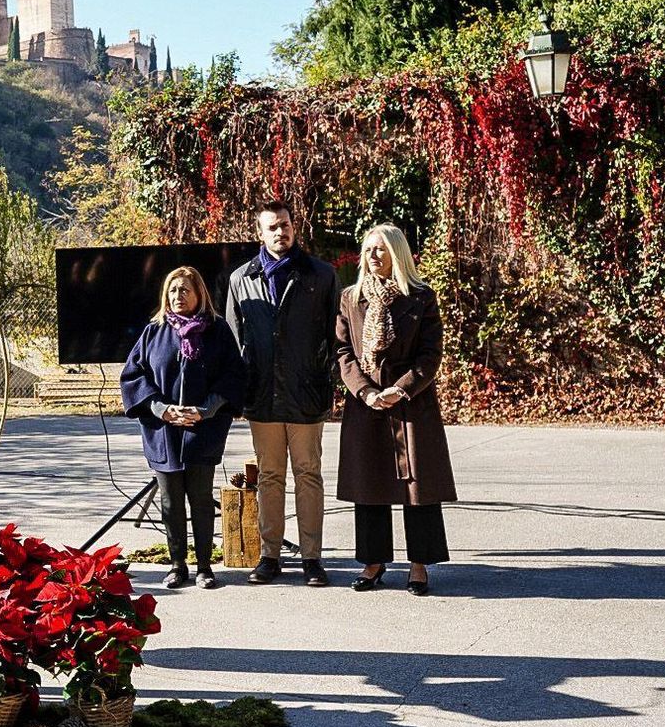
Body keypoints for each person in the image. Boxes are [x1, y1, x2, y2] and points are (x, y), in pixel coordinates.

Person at [335, 224, 457, 596]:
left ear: (397, 253)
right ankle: (373, 563)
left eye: (381, 249)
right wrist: (365, 391)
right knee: (369, 484)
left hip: (411, 403)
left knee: (417, 485)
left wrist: (401, 389)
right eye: (368, 249)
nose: (373, 256)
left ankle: (419, 564)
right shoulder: (351, 297)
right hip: (366, 402)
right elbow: (343, 352)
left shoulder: (421, 297)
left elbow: (430, 354)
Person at [226, 200, 341, 587]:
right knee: (270, 476)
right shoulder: (241, 279)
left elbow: (336, 336)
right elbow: (234, 342)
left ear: (295, 227)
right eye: (273, 227)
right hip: (262, 396)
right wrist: (237, 393)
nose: (281, 232)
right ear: (260, 232)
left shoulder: (321, 274)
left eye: (286, 225)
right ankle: (269, 556)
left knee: (308, 475)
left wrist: (327, 382)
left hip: (307, 394)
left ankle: (312, 559)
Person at [120, 267, 246, 589]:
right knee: (170, 501)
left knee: (201, 500)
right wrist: (161, 409)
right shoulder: (154, 332)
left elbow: (233, 376)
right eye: (173, 290)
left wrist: (205, 410)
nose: (179, 295)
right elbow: (134, 376)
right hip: (163, 432)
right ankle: (177, 566)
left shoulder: (217, 330)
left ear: (199, 294)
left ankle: (204, 567)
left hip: (203, 430)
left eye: (185, 289)